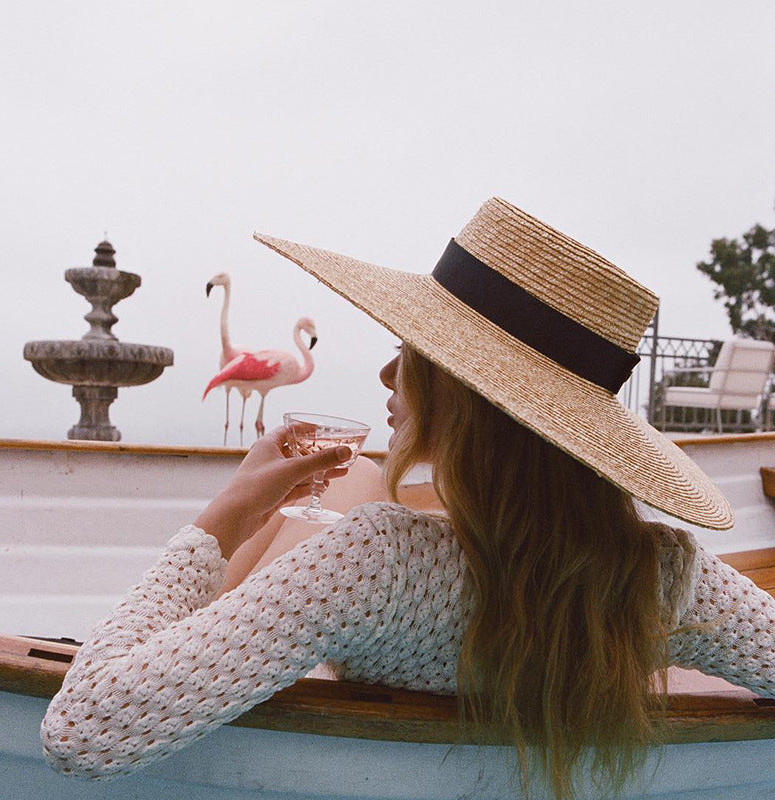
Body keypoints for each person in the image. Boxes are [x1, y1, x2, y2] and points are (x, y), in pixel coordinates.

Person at [41, 198, 775, 800]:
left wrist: (228, 513)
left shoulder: (380, 561)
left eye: (417, 353)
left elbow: (82, 729)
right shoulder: (667, 578)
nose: (390, 373)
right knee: (356, 477)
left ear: (473, 398)